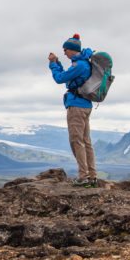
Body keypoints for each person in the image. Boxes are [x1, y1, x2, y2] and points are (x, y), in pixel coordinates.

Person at [48, 34, 98, 187]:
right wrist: (58, 63)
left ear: (72, 50)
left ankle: (83, 177)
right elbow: (68, 78)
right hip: (85, 105)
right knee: (86, 141)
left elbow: (59, 78)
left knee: (76, 141)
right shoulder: (81, 63)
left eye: (65, 50)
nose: (64, 52)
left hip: (76, 106)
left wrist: (53, 64)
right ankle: (91, 176)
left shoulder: (79, 65)